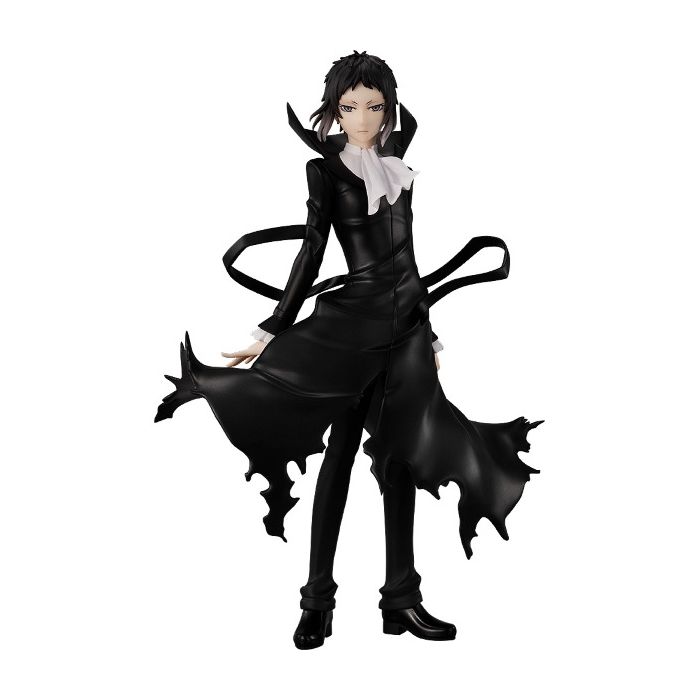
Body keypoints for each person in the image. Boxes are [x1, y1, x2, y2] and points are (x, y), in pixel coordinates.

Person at [155, 50, 542, 650]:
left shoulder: (397, 160)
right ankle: (317, 602)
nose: (363, 118)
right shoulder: (325, 171)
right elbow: (311, 251)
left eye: (375, 106)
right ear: (334, 112)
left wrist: (429, 330)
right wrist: (271, 328)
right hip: (353, 332)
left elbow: (409, 258)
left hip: (406, 334)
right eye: (350, 106)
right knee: (338, 459)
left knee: (401, 461)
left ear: (389, 109)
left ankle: (401, 602)